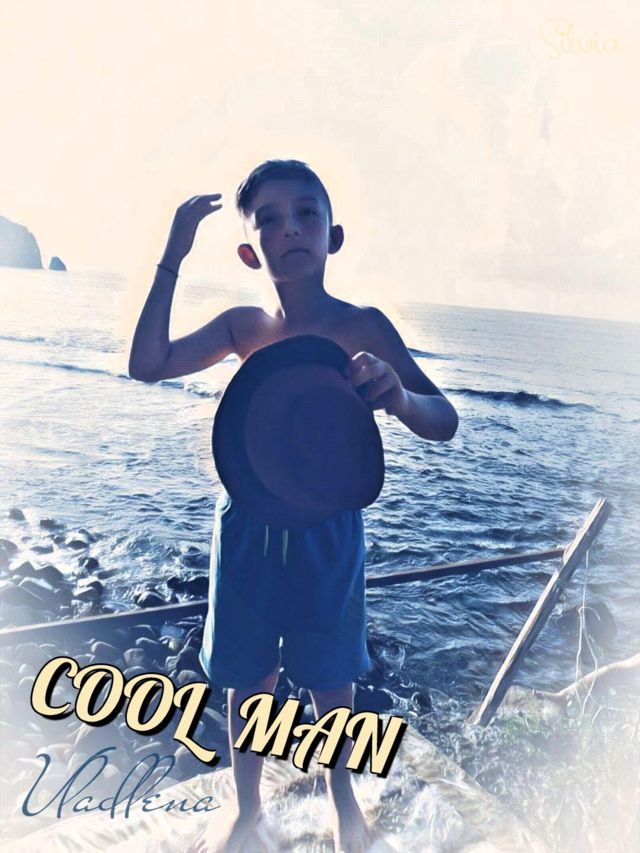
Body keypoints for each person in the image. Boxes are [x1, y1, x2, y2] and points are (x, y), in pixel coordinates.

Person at [129, 159, 458, 853]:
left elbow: (444, 417)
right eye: (271, 220)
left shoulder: (364, 327)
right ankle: (247, 803)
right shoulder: (242, 326)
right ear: (250, 251)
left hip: (328, 530)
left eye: (307, 213)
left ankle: (343, 798)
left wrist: (399, 395)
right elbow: (148, 363)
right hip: (245, 526)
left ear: (333, 235)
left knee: (332, 677)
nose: (290, 228)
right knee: (247, 676)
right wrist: (172, 255)